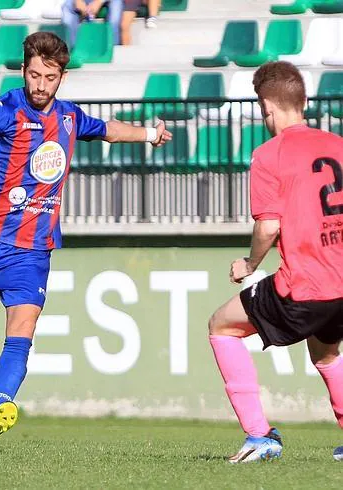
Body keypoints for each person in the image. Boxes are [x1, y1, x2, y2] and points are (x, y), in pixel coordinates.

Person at [0, 31, 171, 447]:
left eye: (49, 77)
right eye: (33, 75)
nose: (39, 85)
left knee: (22, 328)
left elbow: (107, 129)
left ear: (61, 77)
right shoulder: (3, 110)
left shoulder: (68, 118)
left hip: (32, 249)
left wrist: (148, 135)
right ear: (23, 71)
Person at [208, 61, 343, 463]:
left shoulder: (270, 153)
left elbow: (268, 226)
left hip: (305, 283)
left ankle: (259, 436)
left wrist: (250, 265)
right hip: (340, 281)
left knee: (222, 327)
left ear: (267, 106)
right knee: (325, 354)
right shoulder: (337, 143)